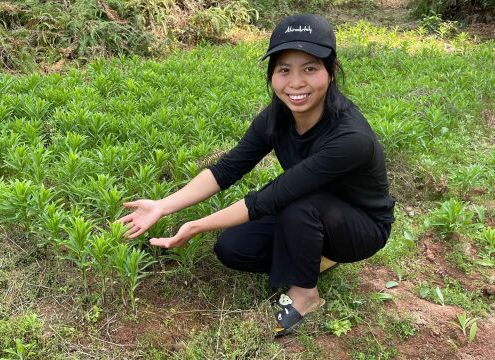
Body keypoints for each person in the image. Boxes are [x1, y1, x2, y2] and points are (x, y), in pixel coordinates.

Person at [118, 14, 395, 337]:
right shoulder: (278, 116)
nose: (295, 83)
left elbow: (271, 197)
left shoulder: (350, 138)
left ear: (331, 71)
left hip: (360, 226)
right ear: (272, 74)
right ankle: (315, 254)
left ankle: (306, 296)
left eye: (309, 68)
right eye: (284, 70)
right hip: (305, 209)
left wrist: (195, 225)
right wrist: (164, 205)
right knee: (232, 249)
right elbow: (229, 167)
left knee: (297, 204)